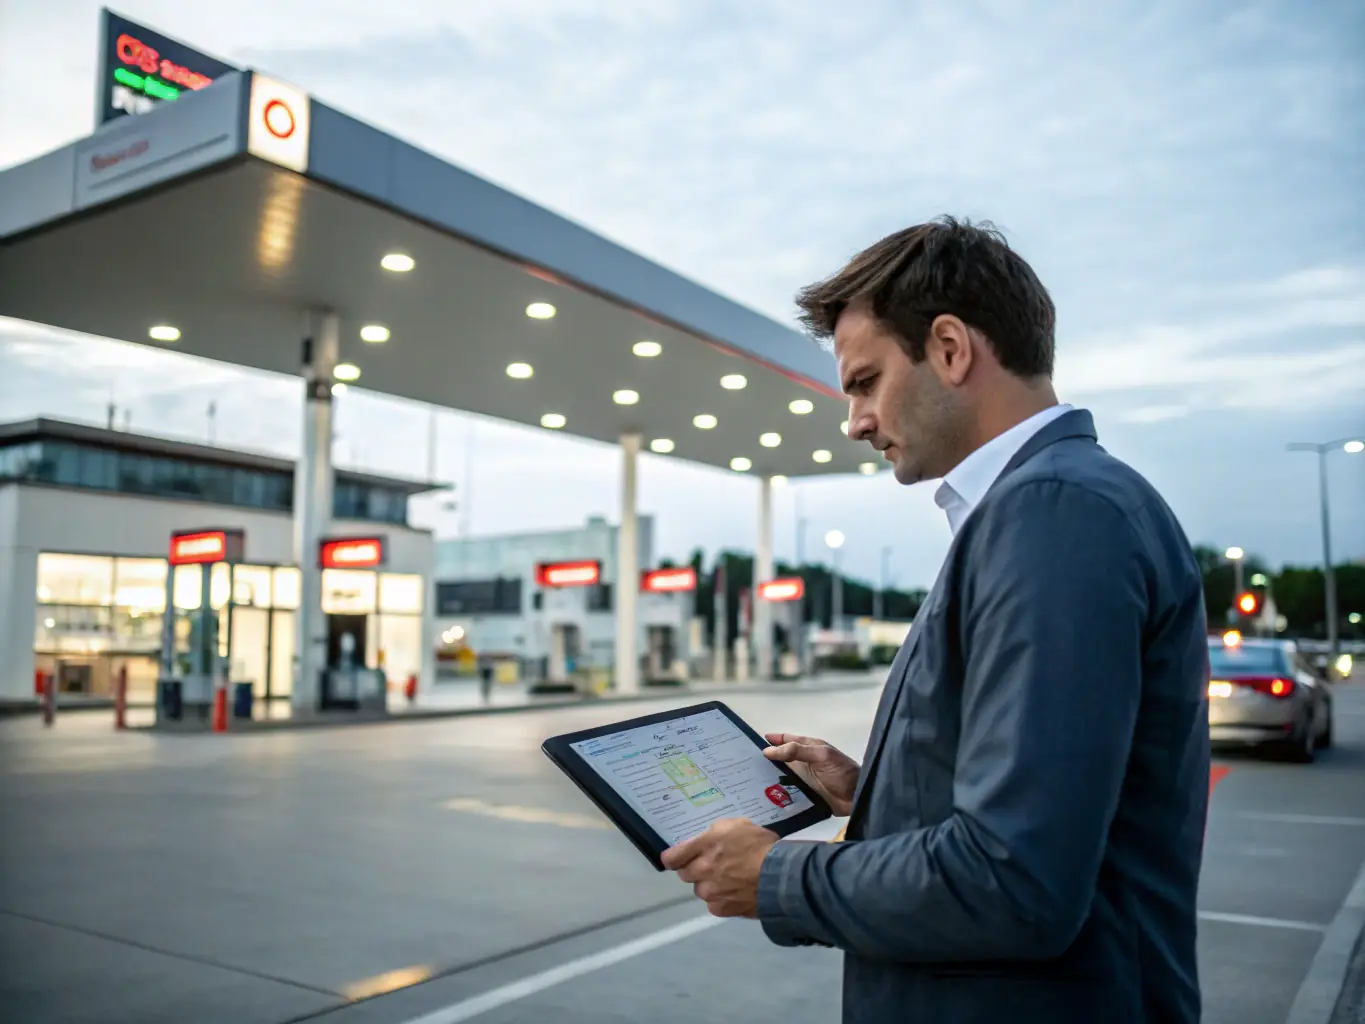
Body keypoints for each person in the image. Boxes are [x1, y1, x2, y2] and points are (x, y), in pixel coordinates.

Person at [661, 217, 1211, 1023]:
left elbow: (1013, 880)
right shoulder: (1047, 506)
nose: (852, 421)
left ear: (949, 349)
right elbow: (1049, 796)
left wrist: (777, 875)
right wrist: (872, 792)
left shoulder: (1053, 515)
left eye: (863, 381)